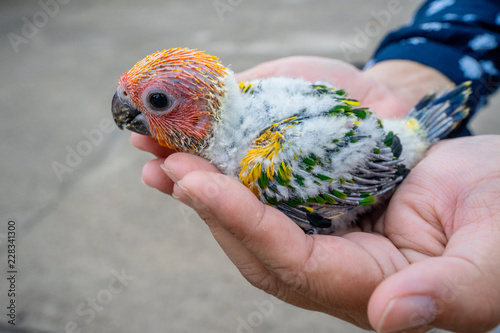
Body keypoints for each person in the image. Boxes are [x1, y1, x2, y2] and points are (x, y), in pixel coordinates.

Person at [131, 0, 500, 332]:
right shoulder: (251, 97)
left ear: (200, 110)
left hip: (391, 152)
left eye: (158, 101)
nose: (128, 111)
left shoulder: (265, 162)